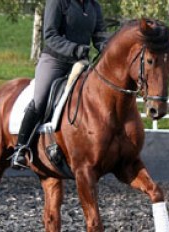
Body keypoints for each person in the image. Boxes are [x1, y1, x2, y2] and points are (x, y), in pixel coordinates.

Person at [11, 0, 108, 168]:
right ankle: (21, 147)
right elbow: (50, 35)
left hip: (80, 62)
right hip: (55, 60)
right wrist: (75, 49)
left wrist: (109, 48)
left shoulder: (93, 6)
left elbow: (99, 35)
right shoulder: (58, 2)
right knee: (40, 99)